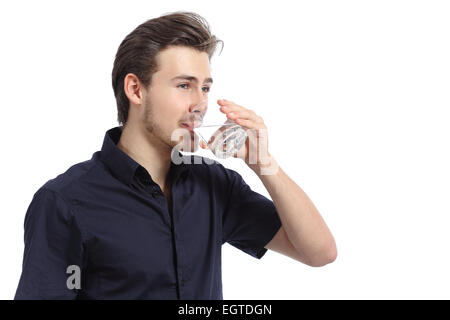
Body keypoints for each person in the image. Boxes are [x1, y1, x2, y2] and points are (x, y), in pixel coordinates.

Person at [14, 11, 337, 300]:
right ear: (136, 90)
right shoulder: (64, 202)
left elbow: (319, 252)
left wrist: (264, 164)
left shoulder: (214, 185)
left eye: (206, 88)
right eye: (184, 85)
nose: (200, 103)